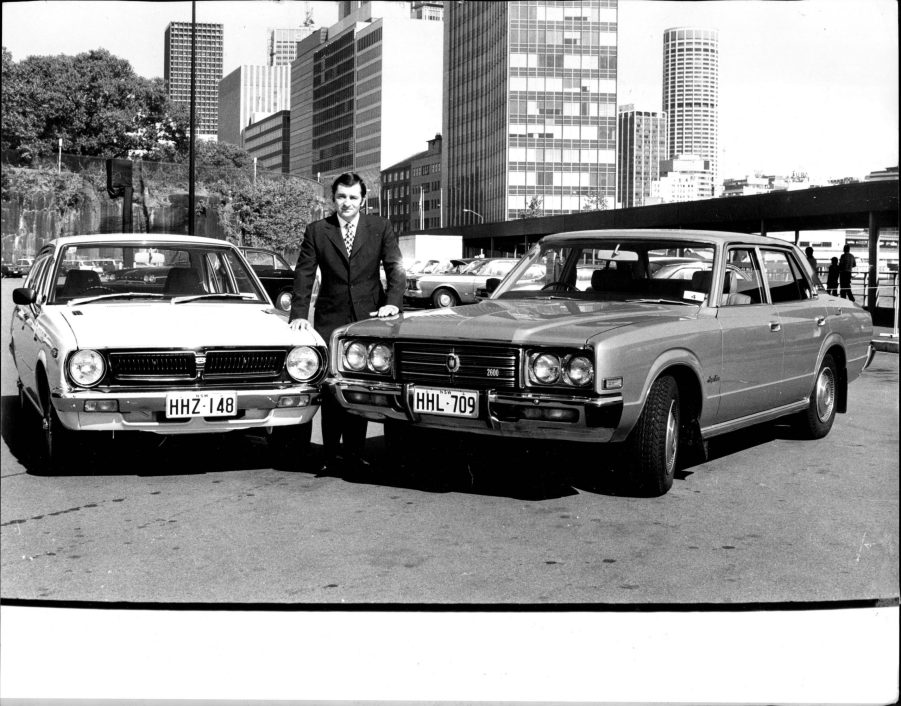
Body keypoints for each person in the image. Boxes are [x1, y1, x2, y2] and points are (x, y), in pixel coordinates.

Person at [288, 172, 405, 473]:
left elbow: (395, 268)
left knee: (361, 384)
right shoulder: (318, 230)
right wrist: (300, 315)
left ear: (363, 199)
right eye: (341, 197)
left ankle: (354, 453)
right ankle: (329, 456)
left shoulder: (380, 227)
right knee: (331, 387)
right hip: (331, 318)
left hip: (369, 318)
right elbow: (303, 274)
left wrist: (393, 302)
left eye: (353, 197)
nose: (347, 203)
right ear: (333, 199)